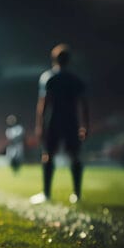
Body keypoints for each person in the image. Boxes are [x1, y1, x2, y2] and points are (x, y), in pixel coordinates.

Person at [35, 43, 89, 202]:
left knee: (48, 155)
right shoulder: (76, 80)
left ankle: (46, 193)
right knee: (75, 156)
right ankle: (77, 194)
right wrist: (85, 124)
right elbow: (84, 104)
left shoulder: (48, 77)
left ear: (54, 59)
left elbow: (43, 104)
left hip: (54, 120)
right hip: (72, 121)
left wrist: (40, 126)